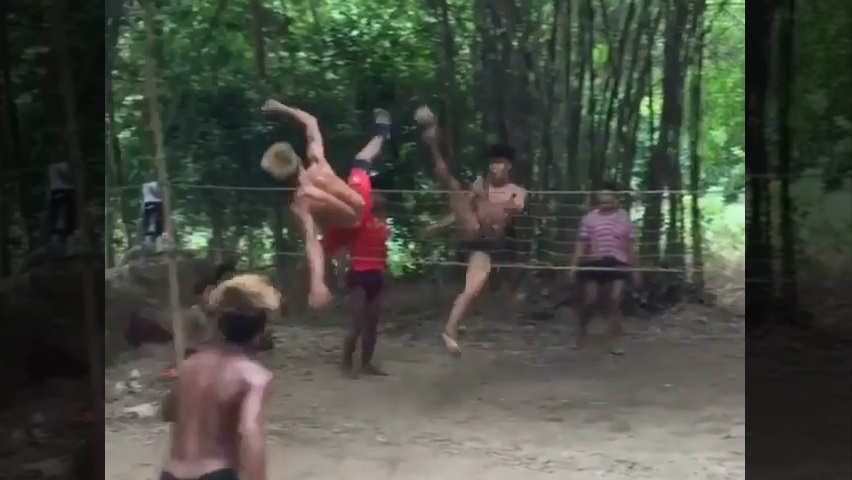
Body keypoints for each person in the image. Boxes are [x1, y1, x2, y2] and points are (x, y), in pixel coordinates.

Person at [417, 107, 527, 355]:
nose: (495, 167)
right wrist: (438, 225)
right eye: (493, 163)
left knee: (476, 289)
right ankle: (449, 330)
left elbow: (511, 211)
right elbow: (463, 210)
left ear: (508, 166)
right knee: (453, 185)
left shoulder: (516, 191)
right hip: (478, 238)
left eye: (499, 163)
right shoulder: (479, 186)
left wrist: (484, 198)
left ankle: (457, 325)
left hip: (498, 242)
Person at [260, 99, 390, 308]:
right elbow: (311, 121)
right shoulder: (317, 160)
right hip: (360, 202)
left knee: (310, 259)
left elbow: (312, 243)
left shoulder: (301, 202)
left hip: (348, 227)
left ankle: (290, 300)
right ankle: (382, 133)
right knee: (361, 160)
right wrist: (283, 108)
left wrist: (317, 283)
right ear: (298, 160)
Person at [159, 274, 280, 480]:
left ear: (220, 326)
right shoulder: (254, 376)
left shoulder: (191, 364)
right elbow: (250, 434)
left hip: (171, 473)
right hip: (215, 474)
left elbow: (167, 412)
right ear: (260, 331)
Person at [568, 182, 641, 355]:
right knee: (589, 300)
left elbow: (631, 246)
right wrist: (573, 265)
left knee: (614, 300)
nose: (605, 200)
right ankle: (581, 333)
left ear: (615, 198)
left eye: (609, 197)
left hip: (618, 263)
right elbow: (581, 243)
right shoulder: (589, 218)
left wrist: (636, 269)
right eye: (602, 197)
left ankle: (615, 340)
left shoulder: (624, 218)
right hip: (593, 262)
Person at [338, 192, 391, 377]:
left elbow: (383, 249)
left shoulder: (383, 224)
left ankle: (366, 364)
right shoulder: (356, 222)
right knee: (357, 324)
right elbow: (345, 248)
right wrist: (342, 273)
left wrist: (385, 269)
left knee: (372, 325)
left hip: (377, 274)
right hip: (359, 274)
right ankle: (346, 364)